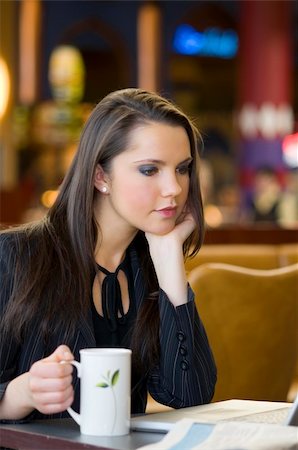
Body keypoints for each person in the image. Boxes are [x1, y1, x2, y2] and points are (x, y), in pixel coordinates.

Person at [0, 88, 217, 422]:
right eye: (150, 170)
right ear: (101, 176)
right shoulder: (15, 256)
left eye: (182, 169)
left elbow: (190, 395)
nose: (174, 188)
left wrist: (170, 263)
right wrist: (23, 391)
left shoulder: (147, 266)